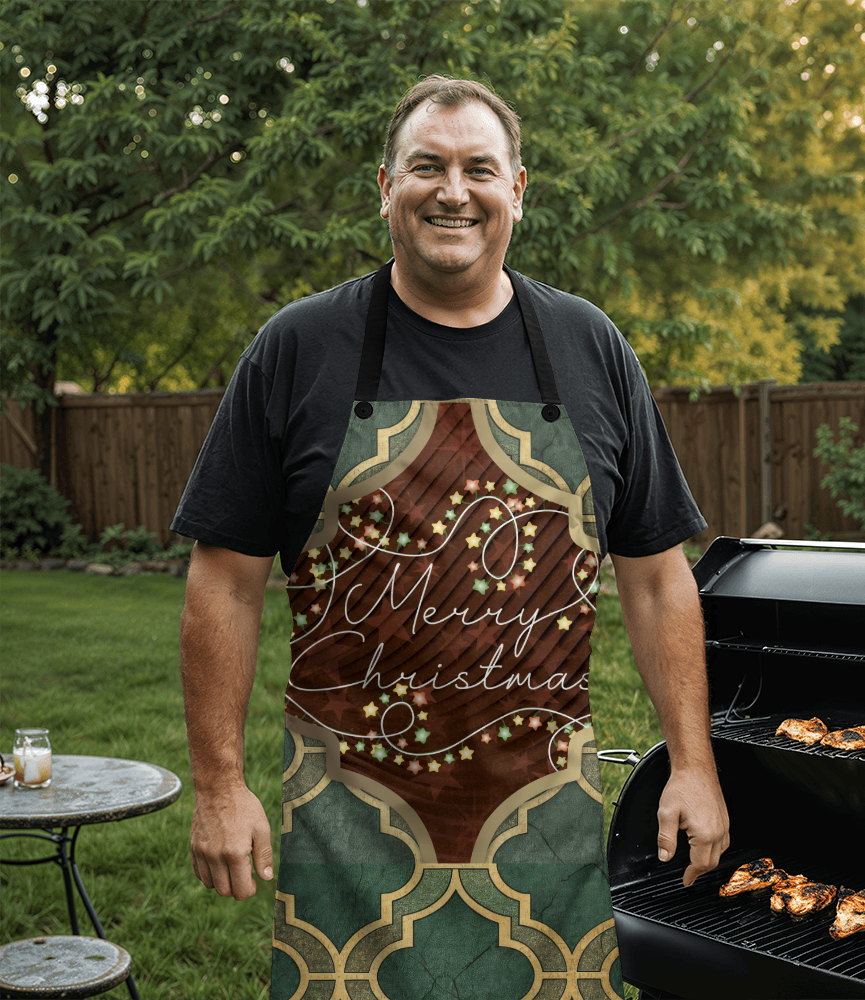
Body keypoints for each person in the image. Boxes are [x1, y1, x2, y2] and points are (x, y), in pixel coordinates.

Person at [173, 75, 729, 1000]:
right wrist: (219, 786)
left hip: (540, 817)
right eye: (426, 166)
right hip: (349, 821)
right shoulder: (298, 346)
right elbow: (223, 581)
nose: (452, 190)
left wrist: (696, 768)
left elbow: (657, 580)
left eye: (479, 168)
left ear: (518, 190)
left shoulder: (590, 346)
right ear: (382, 186)